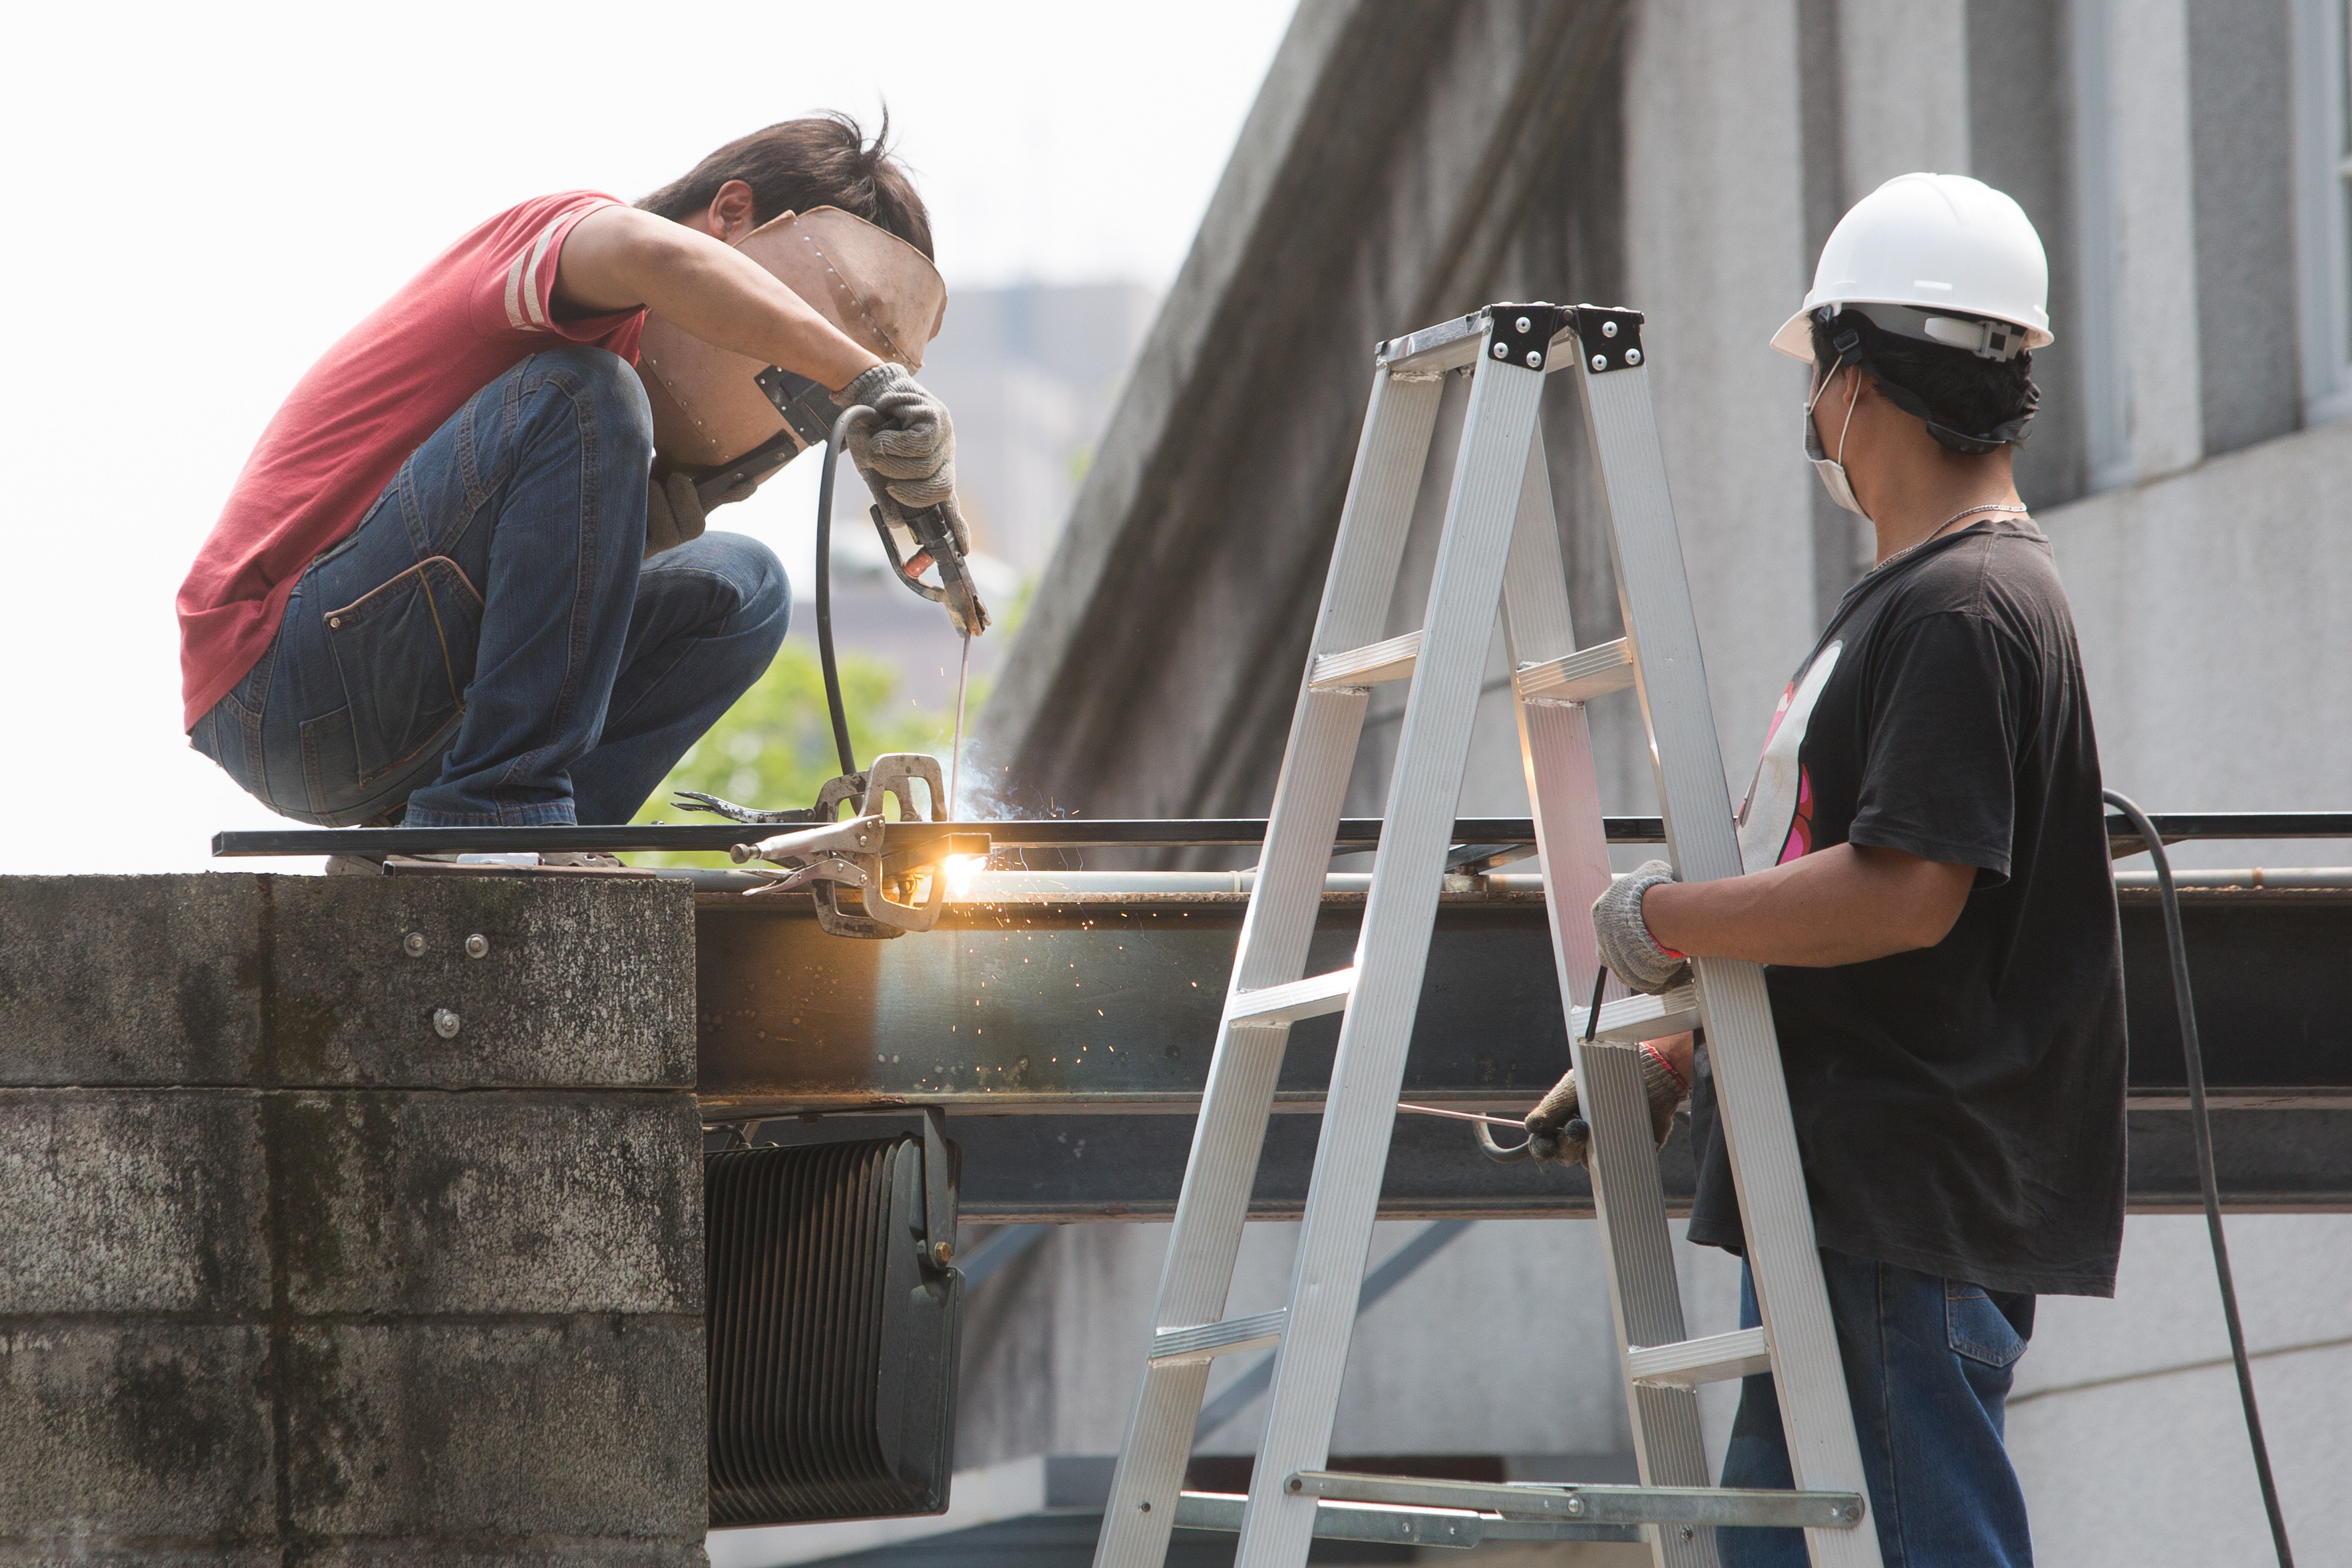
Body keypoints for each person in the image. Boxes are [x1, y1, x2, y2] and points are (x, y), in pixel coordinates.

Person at [1551, 173, 2126, 1567]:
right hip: (1851, 1195)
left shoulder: (1965, 607)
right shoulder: (1929, 597)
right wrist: (1700, 1030)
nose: (1813, 409)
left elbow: (1901, 890)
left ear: (1858, 382)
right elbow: (1842, 876)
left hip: (1896, 1197)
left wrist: (1660, 925)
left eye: (1818, 375)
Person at [178, 114, 959, 836]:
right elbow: (649, 255)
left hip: (395, 722)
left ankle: (499, 839)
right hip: (277, 675)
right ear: (729, 213)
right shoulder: (567, 234)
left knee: (744, 586)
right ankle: (497, 813)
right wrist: (865, 377)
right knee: (581, 392)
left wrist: (633, 543)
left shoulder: (626, 407)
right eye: (805, 327)